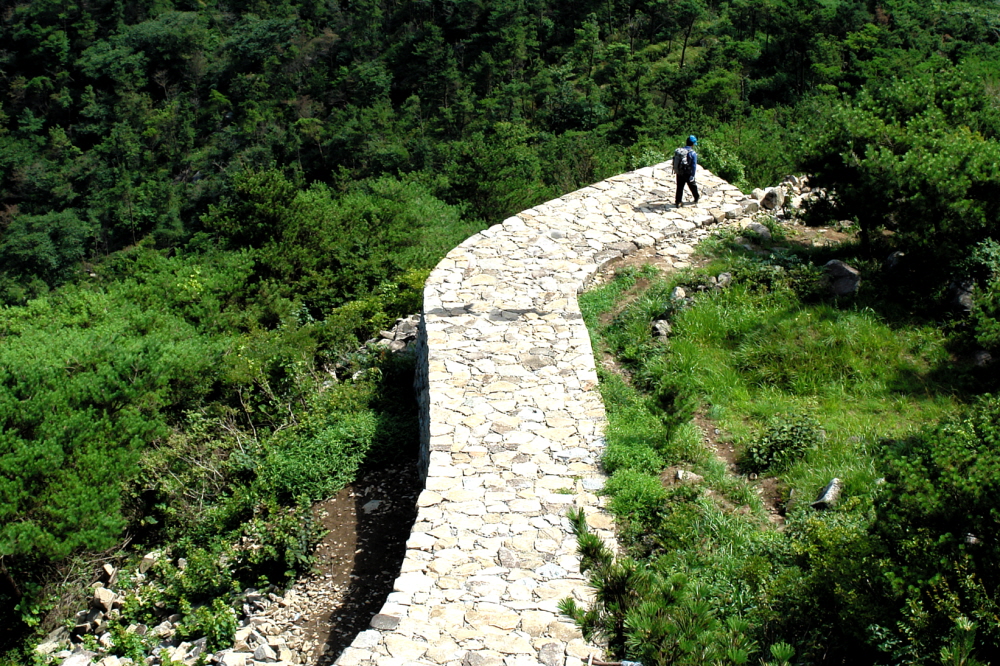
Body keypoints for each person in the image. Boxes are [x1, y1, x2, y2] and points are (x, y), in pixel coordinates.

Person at [673, 135, 699, 206]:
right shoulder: (692, 153)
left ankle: (678, 201)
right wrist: (692, 175)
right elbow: (693, 165)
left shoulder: (680, 151)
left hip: (680, 172)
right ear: (693, 144)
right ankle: (696, 197)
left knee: (679, 187)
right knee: (693, 186)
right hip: (688, 173)